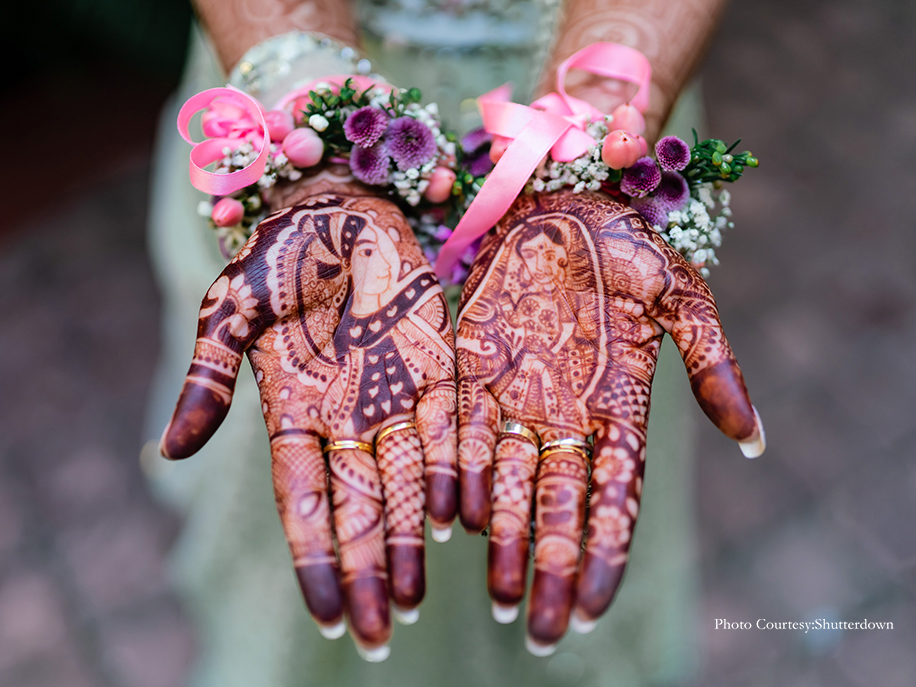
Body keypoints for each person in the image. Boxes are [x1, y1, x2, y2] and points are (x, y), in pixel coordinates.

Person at [143, 1, 736, 684]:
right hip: (290, 89)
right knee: (297, 490)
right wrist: (311, 127)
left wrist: (594, 138)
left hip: (609, 110)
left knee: (578, 463)